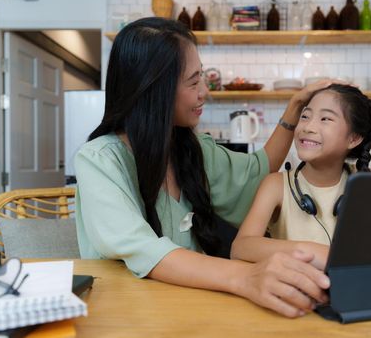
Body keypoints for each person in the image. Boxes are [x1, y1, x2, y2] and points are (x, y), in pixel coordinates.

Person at [74, 17, 337, 318]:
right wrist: (245, 277)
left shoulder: (192, 149)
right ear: (154, 90)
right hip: (126, 315)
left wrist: (295, 108)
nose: (203, 92)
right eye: (192, 81)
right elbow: (144, 250)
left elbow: (256, 173)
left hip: (193, 311)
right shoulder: (100, 160)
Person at [231, 84, 371, 270]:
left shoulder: (368, 183)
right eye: (305, 116)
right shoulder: (275, 185)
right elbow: (240, 248)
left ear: (354, 138)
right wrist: (311, 251)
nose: (308, 127)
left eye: (325, 119)